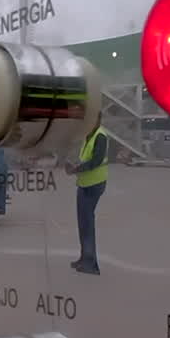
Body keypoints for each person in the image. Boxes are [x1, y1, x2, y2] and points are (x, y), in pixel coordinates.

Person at [65, 113, 108, 275]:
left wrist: (77, 169)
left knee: (87, 224)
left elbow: (96, 161)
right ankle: (84, 258)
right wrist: (75, 165)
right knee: (83, 224)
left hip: (94, 185)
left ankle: (91, 264)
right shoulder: (88, 135)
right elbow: (85, 158)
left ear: (98, 119)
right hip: (84, 184)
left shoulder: (100, 136)